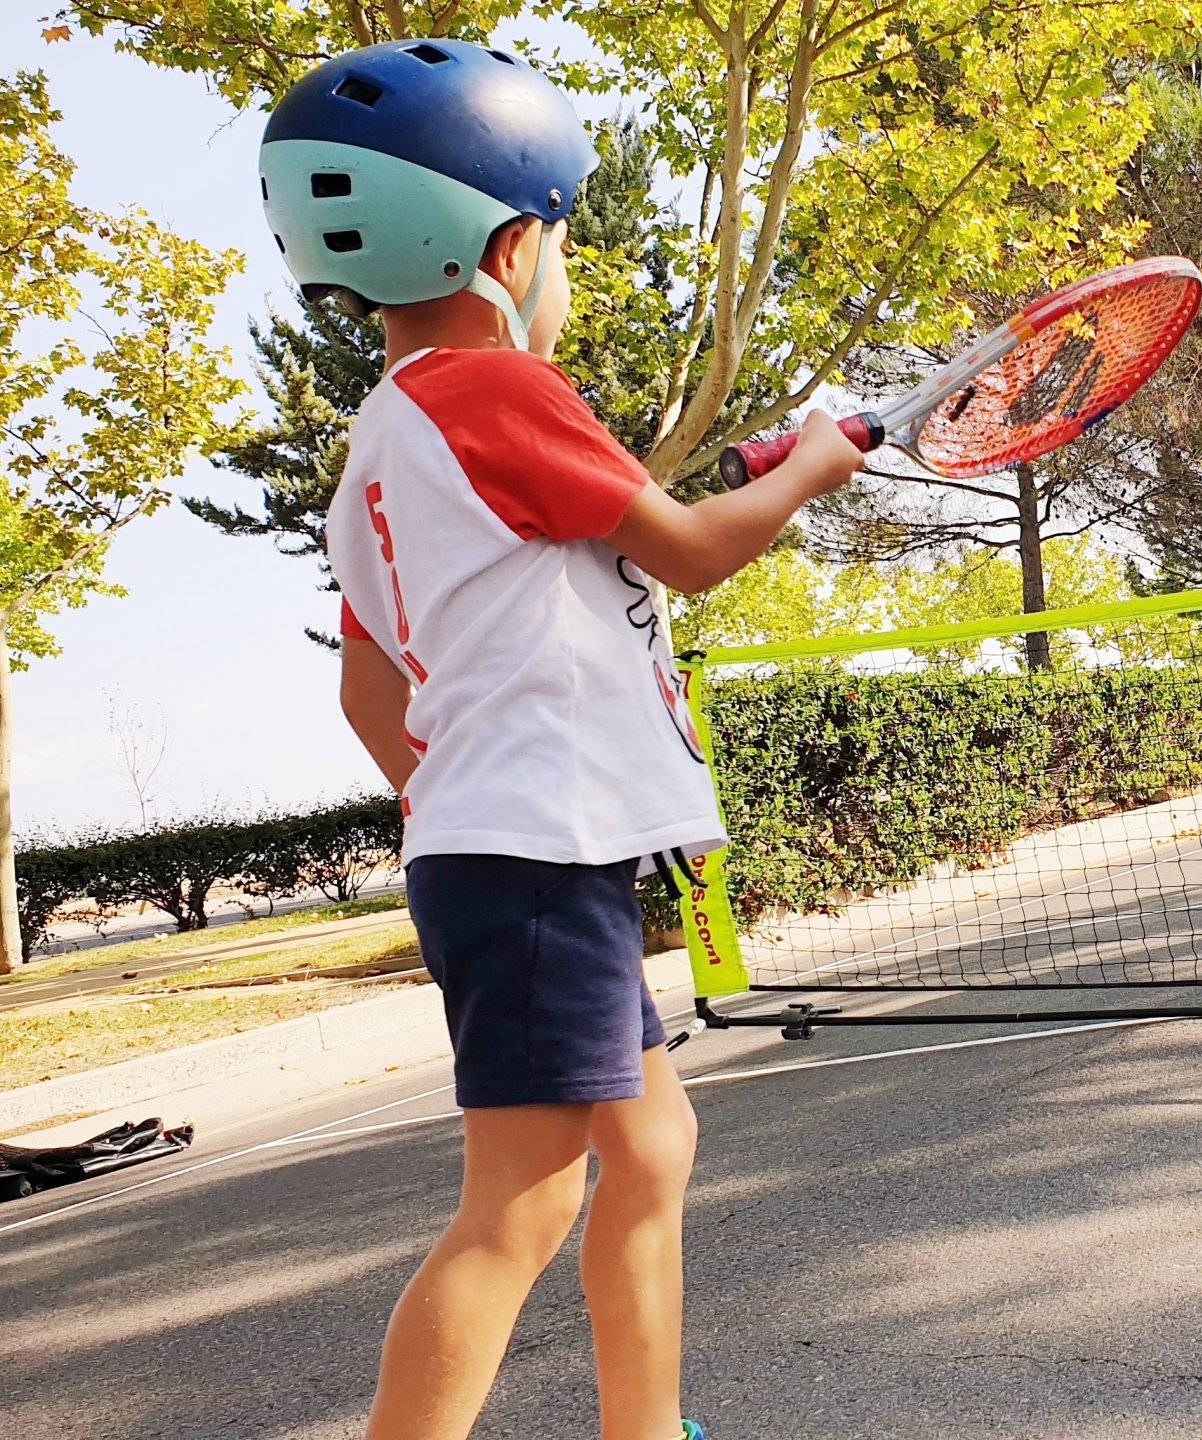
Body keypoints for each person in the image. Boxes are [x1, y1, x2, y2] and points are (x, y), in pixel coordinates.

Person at [260, 41, 864, 1440]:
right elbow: (700, 554)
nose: (568, 269)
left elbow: (371, 695)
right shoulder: (501, 391)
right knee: (517, 1209)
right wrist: (824, 463)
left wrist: (473, 803)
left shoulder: (380, 442)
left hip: (510, 852)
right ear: (512, 246)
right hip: (533, 853)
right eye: (568, 240)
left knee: (653, 1146)